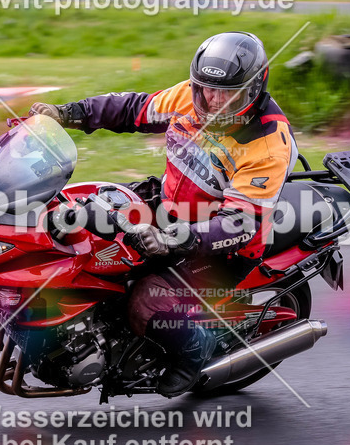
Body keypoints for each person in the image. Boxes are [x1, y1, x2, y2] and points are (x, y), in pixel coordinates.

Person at [29, 31, 297, 397]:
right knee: (79, 217)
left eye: (229, 94)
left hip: (223, 246)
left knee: (145, 299)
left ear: (253, 90)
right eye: (207, 90)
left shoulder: (267, 143)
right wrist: (67, 114)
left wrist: (177, 238)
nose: (215, 101)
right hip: (170, 205)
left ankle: (193, 351)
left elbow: (241, 224)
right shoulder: (191, 96)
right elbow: (131, 108)